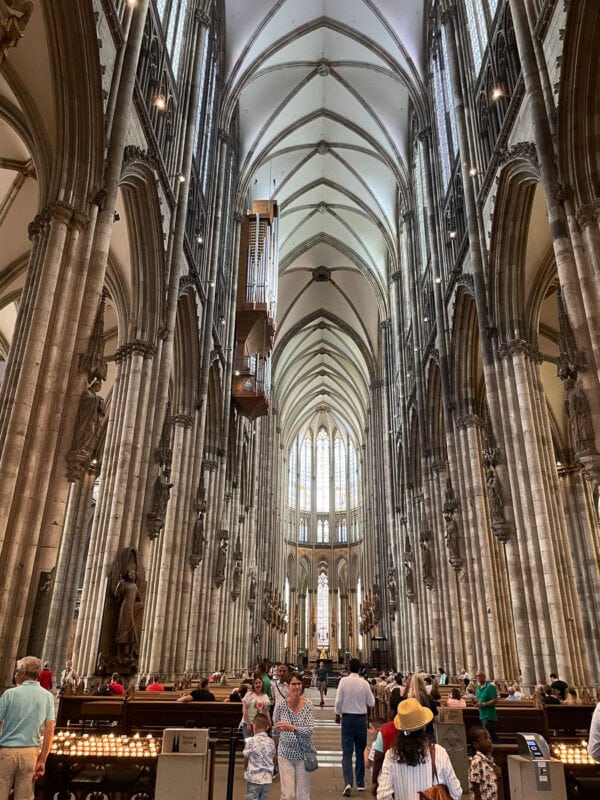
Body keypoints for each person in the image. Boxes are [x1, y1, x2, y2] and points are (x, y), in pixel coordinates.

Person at [376, 698, 462, 800]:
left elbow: (383, 796)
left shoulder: (391, 756)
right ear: (424, 726)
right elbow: (456, 793)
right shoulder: (439, 752)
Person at [0, 656, 55, 799]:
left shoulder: (9, 694)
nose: (15, 674)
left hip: (6, 751)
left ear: (23, 673)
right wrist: (42, 759)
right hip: (30, 753)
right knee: (24, 797)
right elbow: (49, 729)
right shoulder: (47, 696)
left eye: (17, 671)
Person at [335, 657, 375, 795]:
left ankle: (347, 783)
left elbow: (338, 701)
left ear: (348, 667)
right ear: (359, 669)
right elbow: (372, 702)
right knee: (360, 750)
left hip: (347, 719)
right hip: (360, 720)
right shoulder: (364, 683)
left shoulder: (343, 682)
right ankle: (361, 783)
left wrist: (337, 714)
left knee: (347, 752)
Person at [272, 673, 315, 800]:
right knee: (288, 794)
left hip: (303, 754)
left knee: (303, 795)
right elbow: (275, 730)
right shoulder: (281, 705)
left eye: (299, 683)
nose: (296, 687)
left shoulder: (308, 705)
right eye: (293, 684)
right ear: (287, 686)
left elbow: (309, 730)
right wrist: (274, 751)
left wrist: (291, 727)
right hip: (285, 753)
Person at [243, 712, 276, 800]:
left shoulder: (251, 741)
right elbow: (273, 757)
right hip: (267, 778)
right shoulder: (271, 741)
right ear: (267, 727)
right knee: (263, 797)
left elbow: (246, 757)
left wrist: (246, 769)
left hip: (254, 777)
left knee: (252, 797)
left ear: (254, 726)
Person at [469, 725, 500, 800]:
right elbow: (475, 785)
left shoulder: (489, 759)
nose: (489, 741)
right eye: (485, 739)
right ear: (476, 744)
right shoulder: (476, 761)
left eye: (489, 738)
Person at [475, 671, 500, 743]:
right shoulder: (478, 688)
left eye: (480, 676)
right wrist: (477, 704)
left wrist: (484, 704)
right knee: (489, 734)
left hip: (489, 715)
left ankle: (495, 747)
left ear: (484, 677)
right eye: (477, 676)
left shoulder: (490, 687)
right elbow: (479, 699)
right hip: (482, 714)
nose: (478, 678)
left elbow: (495, 700)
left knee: (488, 735)